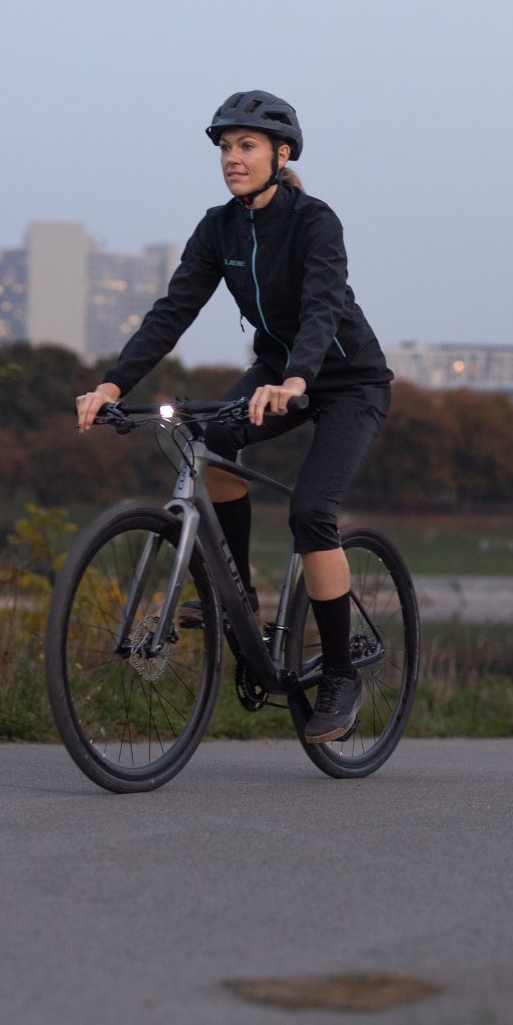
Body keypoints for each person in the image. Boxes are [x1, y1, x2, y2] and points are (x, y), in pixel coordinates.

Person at [74, 91, 393, 744]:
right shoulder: (219, 228)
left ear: (281, 154)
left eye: (246, 146)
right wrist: (109, 383)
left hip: (347, 381)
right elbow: (173, 310)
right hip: (279, 373)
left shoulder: (314, 223)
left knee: (310, 514)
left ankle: (339, 677)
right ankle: (235, 595)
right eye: (225, 147)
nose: (232, 158)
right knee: (211, 433)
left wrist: (299, 377)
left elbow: (322, 307)